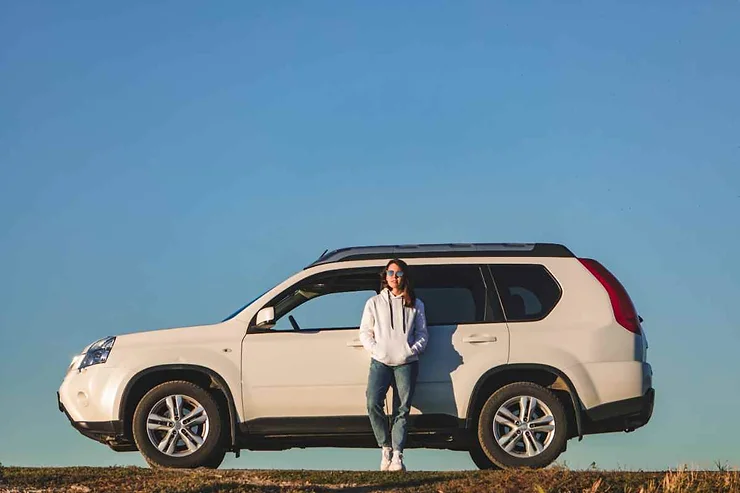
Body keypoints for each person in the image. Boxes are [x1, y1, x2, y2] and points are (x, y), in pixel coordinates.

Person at [359, 258, 428, 472]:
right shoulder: (374, 303)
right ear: (385, 276)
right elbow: (364, 332)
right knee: (373, 402)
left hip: (406, 363)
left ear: (404, 276)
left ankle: (398, 454)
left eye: (398, 273)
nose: (394, 277)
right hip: (380, 361)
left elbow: (423, 334)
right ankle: (385, 447)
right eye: (390, 273)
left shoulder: (415, 304)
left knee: (402, 408)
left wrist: (410, 351)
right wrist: (376, 350)